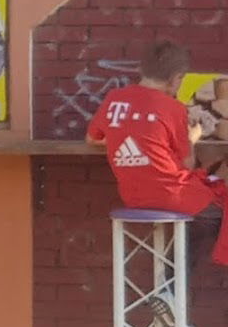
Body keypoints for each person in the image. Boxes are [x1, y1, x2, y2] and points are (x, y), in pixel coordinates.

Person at [87, 39, 228, 268]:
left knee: (203, 216)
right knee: (217, 213)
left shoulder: (114, 98)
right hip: (172, 194)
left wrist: (127, 137)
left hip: (134, 196)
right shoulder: (173, 108)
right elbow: (188, 164)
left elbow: (92, 138)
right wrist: (192, 138)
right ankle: (173, 278)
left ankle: (170, 278)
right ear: (176, 78)